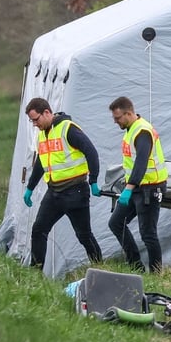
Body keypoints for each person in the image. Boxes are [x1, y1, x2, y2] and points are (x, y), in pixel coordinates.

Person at [23, 98, 103, 269]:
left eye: (36, 119)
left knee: (84, 235)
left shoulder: (68, 129)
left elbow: (92, 153)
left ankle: (101, 268)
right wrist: (30, 187)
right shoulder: (43, 134)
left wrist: (93, 180)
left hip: (75, 192)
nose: (35, 124)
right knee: (38, 230)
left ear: (46, 113)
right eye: (32, 121)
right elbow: (40, 163)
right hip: (54, 193)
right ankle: (35, 273)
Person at [107, 96, 168, 273]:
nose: (115, 122)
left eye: (117, 118)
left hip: (150, 188)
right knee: (116, 223)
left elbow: (141, 162)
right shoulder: (131, 129)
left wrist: (128, 188)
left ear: (128, 113)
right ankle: (136, 265)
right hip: (136, 188)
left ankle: (156, 273)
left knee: (148, 233)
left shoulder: (143, 131)